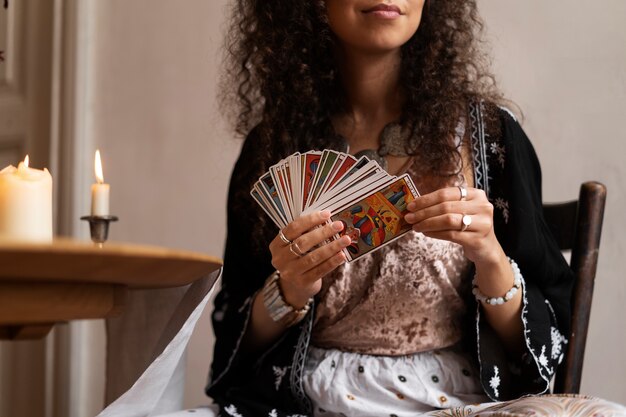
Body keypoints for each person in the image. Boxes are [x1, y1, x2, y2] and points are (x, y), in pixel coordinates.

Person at [200, 1, 626, 416]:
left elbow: (544, 342)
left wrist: (490, 255)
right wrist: (290, 288)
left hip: (455, 402)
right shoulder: (273, 146)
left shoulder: (491, 138)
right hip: (311, 399)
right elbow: (234, 341)